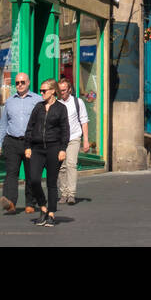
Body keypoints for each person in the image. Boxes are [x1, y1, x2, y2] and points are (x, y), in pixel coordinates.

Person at [23, 78, 70, 227]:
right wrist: (28, 146)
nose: (41, 93)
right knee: (34, 179)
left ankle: (51, 214)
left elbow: (65, 131)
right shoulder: (38, 107)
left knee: (51, 182)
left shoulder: (61, 108)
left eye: (44, 90)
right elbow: (30, 127)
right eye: (41, 90)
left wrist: (63, 149)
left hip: (54, 148)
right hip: (37, 148)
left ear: (53, 91)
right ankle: (43, 207)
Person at [0, 73, 41, 214]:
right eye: (17, 83)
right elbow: (3, 124)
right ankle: (10, 203)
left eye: (22, 82)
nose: (19, 85)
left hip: (30, 143)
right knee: (11, 173)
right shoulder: (9, 101)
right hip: (12, 141)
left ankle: (30, 203)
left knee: (31, 174)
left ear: (28, 83)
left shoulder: (38, 100)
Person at [56, 77, 91, 206]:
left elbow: (84, 121)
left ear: (69, 89)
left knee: (71, 164)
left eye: (64, 90)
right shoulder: (56, 102)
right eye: (60, 91)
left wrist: (86, 140)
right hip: (60, 140)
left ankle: (71, 194)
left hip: (74, 138)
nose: (62, 93)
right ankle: (64, 194)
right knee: (61, 167)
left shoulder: (78, 102)